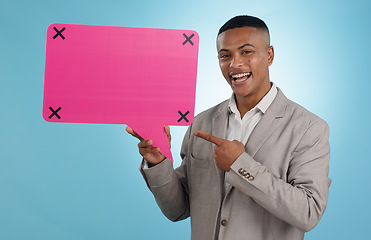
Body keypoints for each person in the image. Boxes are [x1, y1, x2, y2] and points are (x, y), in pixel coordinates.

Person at [126, 15, 331, 240]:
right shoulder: (201, 123)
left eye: (246, 52)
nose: (235, 64)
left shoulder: (309, 128)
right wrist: (159, 162)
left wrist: (239, 165)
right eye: (225, 56)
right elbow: (179, 209)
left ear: (269, 55)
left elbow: (308, 213)